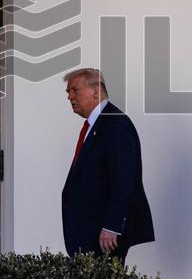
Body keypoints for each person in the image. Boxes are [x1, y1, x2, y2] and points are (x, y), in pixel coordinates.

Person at [61, 68, 154, 263]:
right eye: (68, 92)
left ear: (95, 91)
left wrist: (113, 226)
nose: (70, 97)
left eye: (75, 90)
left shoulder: (115, 124)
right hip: (90, 231)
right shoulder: (97, 124)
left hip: (104, 237)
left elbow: (124, 180)